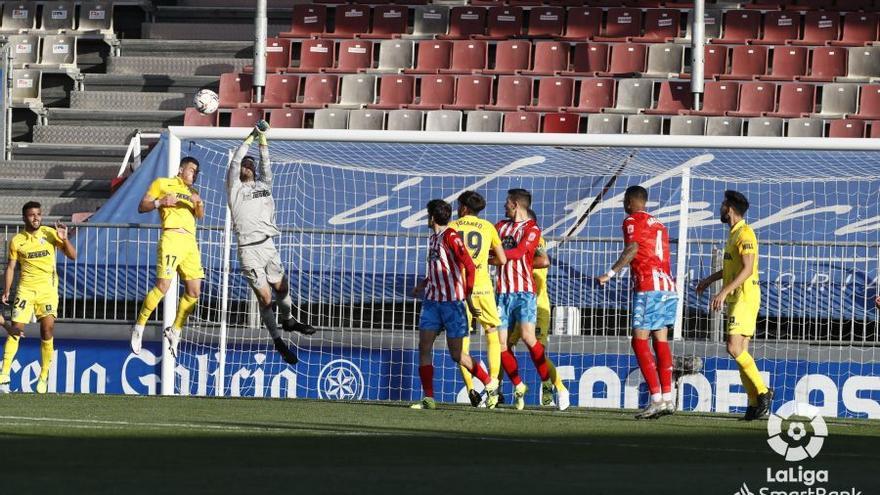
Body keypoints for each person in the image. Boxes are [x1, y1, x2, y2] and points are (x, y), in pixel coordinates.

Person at [226, 121, 314, 365]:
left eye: (250, 164)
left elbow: (267, 164)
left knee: (282, 288)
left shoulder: (264, 186)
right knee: (265, 299)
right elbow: (234, 162)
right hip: (248, 250)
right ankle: (278, 341)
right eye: (245, 164)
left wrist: (263, 140)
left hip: (268, 245)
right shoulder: (234, 189)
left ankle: (289, 320)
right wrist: (251, 136)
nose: (247, 166)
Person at [411, 199, 499, 410]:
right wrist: (423, 284)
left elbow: (469, 264)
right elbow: (438, 268)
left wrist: (467, 294)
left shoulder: (451, 236)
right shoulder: (433, 238)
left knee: (457, 355)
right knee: (424, 347)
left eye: (427, 214)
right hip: (432, 303)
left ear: (432, 216)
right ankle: (429, 398)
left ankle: (489, 384)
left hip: (453, 304)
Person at [597, 186, 676, 419]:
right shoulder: (659, 224)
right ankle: (668, 399)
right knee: (660, 340)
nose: (623, 204)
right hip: (667, 286)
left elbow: (633, 248)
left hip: (649, 286)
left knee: (639, 341)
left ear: (631, 201)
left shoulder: (631, 220)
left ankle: (656, 399)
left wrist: (610, 274)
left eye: (624, 200)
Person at [695, 190, 773, 420]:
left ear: (729, 208)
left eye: (722, 204)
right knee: (741, 352)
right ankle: (753, 404)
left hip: (744, 297)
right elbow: (733, 267)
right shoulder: (733, 234)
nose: (720, 207)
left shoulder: (745, 234)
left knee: (732, 348)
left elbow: (748, 269)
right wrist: (710, 279)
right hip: (737, 296)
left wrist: (723, 291)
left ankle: (763, 391)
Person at [494, 189, 567, 411]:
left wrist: (499, 259)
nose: (504, 205)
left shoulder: (533, 231)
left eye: (507, 201)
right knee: (500, 345)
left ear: (515, 204)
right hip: (503, 293)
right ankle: (511, 387)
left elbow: (536, 258)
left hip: (529, 295)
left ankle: (553, 385)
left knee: (529, 339)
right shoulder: (499, 226)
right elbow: (490, 248)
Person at [130, 156, 205, 359]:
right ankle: (139, 326)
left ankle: (175, 329)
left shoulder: (194, 193)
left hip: (190, 243)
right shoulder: (163, 183)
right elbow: (142, 205)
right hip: (172, 236)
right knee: (163, 286)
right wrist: (159, 202)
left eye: (196, 171)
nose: (194, 173)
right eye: (191, 169)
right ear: (181, 169)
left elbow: (200, 215)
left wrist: (198, 205)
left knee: (194, 291)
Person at [0, 201, 77, 394]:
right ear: (24, 217)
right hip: (25, 290)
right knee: (16, 329)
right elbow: (10, 267)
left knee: (47, 329)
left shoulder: (50, 234)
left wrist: (64, 239)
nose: (36, 218)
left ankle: (43, 377)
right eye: (32, 215)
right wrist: (6, 290)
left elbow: (73, 256)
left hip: (47, 290)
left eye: (39, 214)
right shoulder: (17, 240)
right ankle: (4, 375)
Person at [449, 191, 506, 408]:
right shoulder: (488, 227)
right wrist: (483, 259)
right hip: (483, 288)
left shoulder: (453, 227)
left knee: (462, 342)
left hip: (460, 291)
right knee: (492, 334)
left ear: (463, 208)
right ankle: (494, 389)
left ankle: (471, 389)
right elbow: (501, 259)